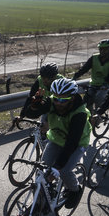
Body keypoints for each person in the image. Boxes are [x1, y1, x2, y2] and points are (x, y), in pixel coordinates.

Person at [24, 78, 90, 208]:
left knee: (64, 171)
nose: (59, 103)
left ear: (72, 97)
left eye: (63, 100)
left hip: (77, 144)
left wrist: (57, 167)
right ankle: (36, 204)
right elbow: (31, 114)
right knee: (41, 172)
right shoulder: (52, 101)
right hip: (56, 139)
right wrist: (34, 105)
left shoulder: (79, 114)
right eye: (56, 98)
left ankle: (75, 191)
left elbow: (71, 143)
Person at [72, 39, 109, 113]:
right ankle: (89, 115)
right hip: (94, 83)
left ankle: (99, 115)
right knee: (86, 100)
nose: (102, 51)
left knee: (99, 98)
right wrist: (76, 76)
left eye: (105, 49)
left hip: (108, 84)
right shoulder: (94, 58)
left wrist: (106, 83)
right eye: (101, 49)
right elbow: (85, 68)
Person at [19, 62, 64, 137]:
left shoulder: (61, 81)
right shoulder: (39, 80)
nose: (45, 80)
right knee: (42, 131)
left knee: (54, 132)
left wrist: (48, 123)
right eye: (43, 77)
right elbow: (30, 97)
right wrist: (22, 115)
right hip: (46, 106)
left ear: (54, 77)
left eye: (48, 78)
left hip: (60, 108)